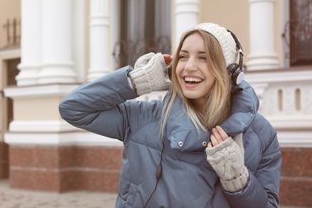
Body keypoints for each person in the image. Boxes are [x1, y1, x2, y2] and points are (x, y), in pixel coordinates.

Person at [59, 22, 282, 207]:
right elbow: (73, 108)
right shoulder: (144, 118)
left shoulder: (259, 135)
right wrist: (135, 81)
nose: (188, 67)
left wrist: (237, 179)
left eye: (203, 57)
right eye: (183, 57)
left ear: (230, 70)